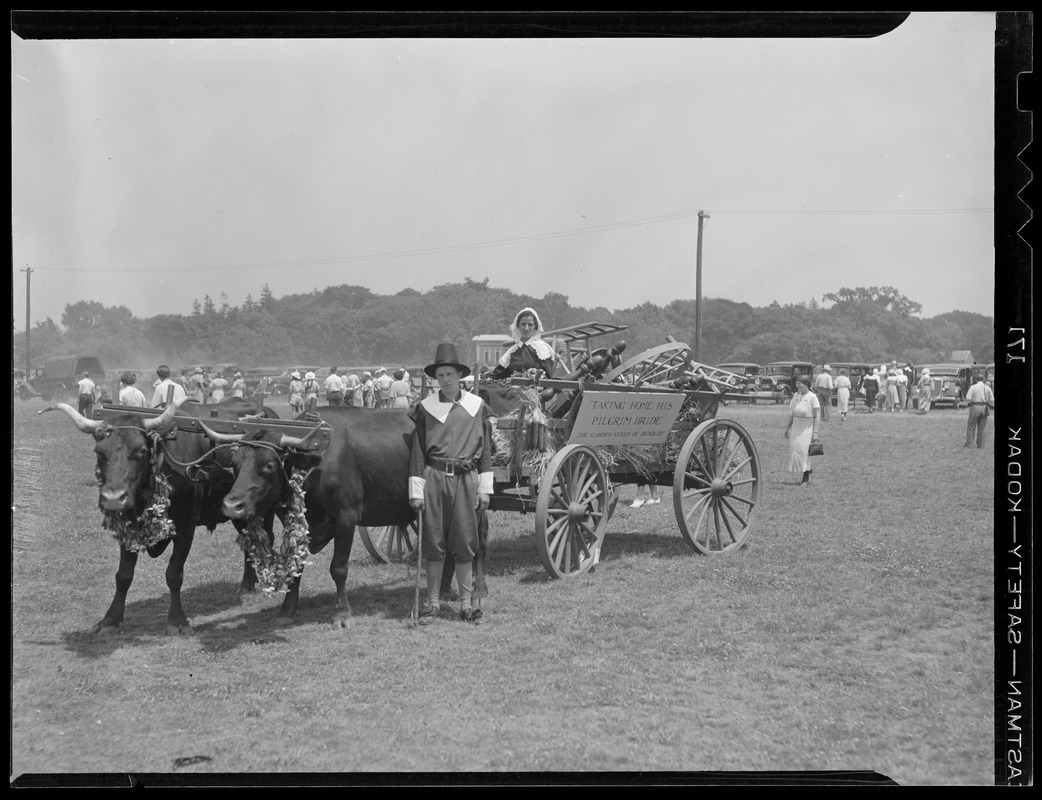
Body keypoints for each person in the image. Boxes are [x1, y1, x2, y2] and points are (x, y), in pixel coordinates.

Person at [408, 342, 493, 625]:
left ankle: (466, 605)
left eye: (449, 375)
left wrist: (484, 488)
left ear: (459, 376)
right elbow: (418, 452)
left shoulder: (476, 407)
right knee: (433, 541)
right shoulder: (425, 409)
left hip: (467, 480)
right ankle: (432, 604)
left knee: (465, 540)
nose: (445, 381)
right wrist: (416, 491)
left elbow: (486, 452)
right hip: (434, 479)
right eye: (440, 376)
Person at [488, 307, 556, 379]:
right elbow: (497, 374)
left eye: (530, 325)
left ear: (535, 327)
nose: (526, 328)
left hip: (536, 387)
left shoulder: (541, 349)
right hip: (513, 387)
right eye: (523, 324)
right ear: (518, 326)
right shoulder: (513, 351)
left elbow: (549, 377)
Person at [784, 374, 821, 486]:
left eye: (800, 386)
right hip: (796, 426)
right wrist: (787, 427)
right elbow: (792, 413)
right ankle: (806, 469)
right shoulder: (796, 395)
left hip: (807, 427)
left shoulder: (812, 397)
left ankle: (805, 477)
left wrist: (815, 433)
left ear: (806, 385)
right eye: (797, 386)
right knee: (796, 449)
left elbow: (817, 415)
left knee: (804, 451)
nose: (798, 388)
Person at [963, 375, 996, 449]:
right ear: (983, 379)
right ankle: (981, 446)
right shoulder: (987, 388)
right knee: (982, 428)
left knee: (971, 427)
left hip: (975, 407)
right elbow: (992, 399)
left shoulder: (973, 387)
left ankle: (970, 445)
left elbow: (968, 398)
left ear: (975, 379)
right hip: (985, 407)